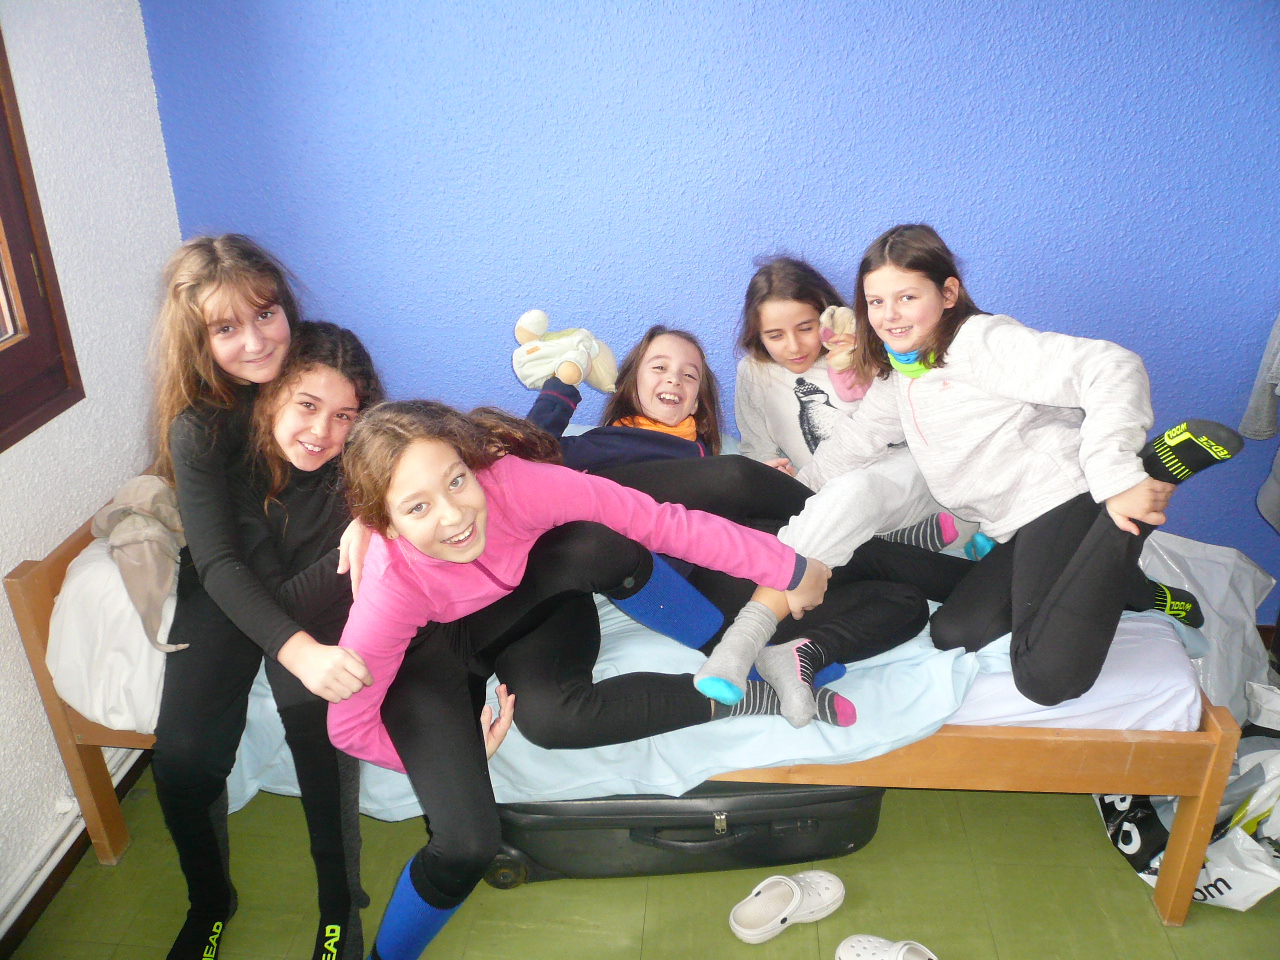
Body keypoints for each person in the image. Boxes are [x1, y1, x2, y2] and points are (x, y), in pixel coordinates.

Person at [328, 400, 840, 960]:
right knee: (466, 846)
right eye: (418, 507)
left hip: (532, 605)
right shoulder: (390, 582)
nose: (453, 516)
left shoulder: (514, 484)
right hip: (435, 662)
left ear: (471, 464)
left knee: (595, 544)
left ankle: (737, 657)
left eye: (456, 481)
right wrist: (459, 750)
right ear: (385, 523)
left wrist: (787, 567)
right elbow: (348, 724)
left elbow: (654, 521)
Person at [793, 223, 1239, 706]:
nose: (889, 315)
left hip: (1066, 496)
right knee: (954, 632)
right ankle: (1140, 592)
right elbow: (857, 442)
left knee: (1045, 677)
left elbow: (1112, 365)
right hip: (1016, 526)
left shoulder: (980, 343)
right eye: (876, 301)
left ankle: (1148, 482)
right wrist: (795, 495)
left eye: (907, 297)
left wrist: (1116, 475)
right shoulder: (902, 372)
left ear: (948, 294)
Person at [148, 236, 372, 960]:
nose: (254, 341)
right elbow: (217, 561)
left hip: (308, 566)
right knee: (183, 757)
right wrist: (294, 648)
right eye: (225, 327)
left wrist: (373, 518)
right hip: (230, 580)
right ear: (199, 339)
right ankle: (210, 899)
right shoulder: (199, 427)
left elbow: (383, 450)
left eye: (265, 314)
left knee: (315, 717)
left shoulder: (320, 372)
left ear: (286, 308)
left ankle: (339, 903)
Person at [524, 324, 930, 721]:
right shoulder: (600, 444)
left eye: (690, 376)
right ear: (631, 385)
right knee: (869, 554)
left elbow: (732, 497)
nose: (675, 379)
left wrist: (770, 483)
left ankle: (803, 654)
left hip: (764, 578)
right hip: (709, 583)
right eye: (659, 367)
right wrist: (564, 383)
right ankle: (889, 534)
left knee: (906, 603)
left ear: (696, 405)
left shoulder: (703, 455)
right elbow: (524, 453)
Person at [732, 257, 959, 558]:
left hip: (894, 475)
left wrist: (867, 357)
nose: (794, 346)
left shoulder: (858, 352)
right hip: (825, 496)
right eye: (775, 335)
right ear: (757, 334)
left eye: (805, 328)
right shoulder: (754, 372)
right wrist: (772, 474)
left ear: (827, 316)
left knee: (854, 489)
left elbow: (878, 432)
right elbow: (756, 448)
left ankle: (779, 563)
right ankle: (886, 542)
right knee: (837, 502)